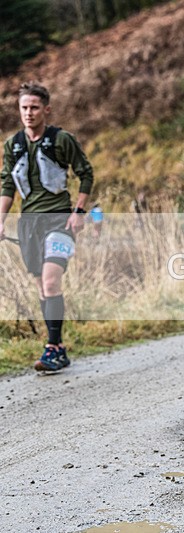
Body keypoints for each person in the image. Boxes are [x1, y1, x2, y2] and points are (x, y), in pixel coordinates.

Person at [0, 82, 94, 371]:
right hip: (29, 223)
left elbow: (85, 173)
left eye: (34, 107)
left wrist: (78, 211)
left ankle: (52, 348)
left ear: (46, 109)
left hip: (59, 220)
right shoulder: (12, 144)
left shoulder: (61, 139)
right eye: (24, 107)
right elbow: (7, 184)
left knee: (52, 280)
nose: (29, 113)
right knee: (41, 286)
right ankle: (59, 347)